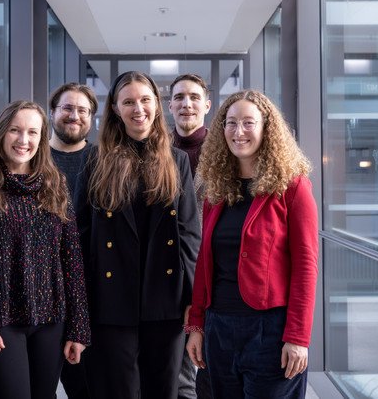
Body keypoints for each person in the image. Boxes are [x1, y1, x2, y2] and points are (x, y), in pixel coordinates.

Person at [0, 100, 91, 399]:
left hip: (51, 322)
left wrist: (78, 328)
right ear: (1, 133)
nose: (24, 140)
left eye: (33, 132)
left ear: (42, 138)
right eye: (15, 130)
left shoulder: (55, 186)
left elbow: (72, 261)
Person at [74, 71, 201, 399]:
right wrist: (81, 302)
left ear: (157, 106)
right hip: (111, 299)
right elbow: (81, 233)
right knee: (119, 390)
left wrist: (192, 299)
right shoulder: (95, 160)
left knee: (163, 390)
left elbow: (189, 234)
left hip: (166, 298)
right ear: (116, 109)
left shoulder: (177, 160)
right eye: (128, 101)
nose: (138, 108)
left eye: (145, 100)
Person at [185, 89, 318, 399]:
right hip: (219, 328)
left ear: (266, 128)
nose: (238, 131)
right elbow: (205, 262)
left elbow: (306, 267)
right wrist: (197, 324)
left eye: (248, 122)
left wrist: (298, 337)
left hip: (270, 331)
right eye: (231, 123)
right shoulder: (217, 188)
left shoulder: (293, 186)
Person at [48, 83, 98, 399]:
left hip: (91, 295)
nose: (74, 115)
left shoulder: (103, 161)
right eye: (67, 108)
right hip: (43, 290)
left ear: (91, 118)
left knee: (86, 387)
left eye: (82, 110)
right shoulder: (32, 157)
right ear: (52, 111)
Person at [167, 74, 212, 399]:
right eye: (180, 97)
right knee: (176, 368)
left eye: (194, 97)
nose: (187, 103)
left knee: (210, 366)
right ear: (170, 106)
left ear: (206, 105)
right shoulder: (157, 152)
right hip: (172, 274)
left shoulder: (228, 150)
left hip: (217, 272)